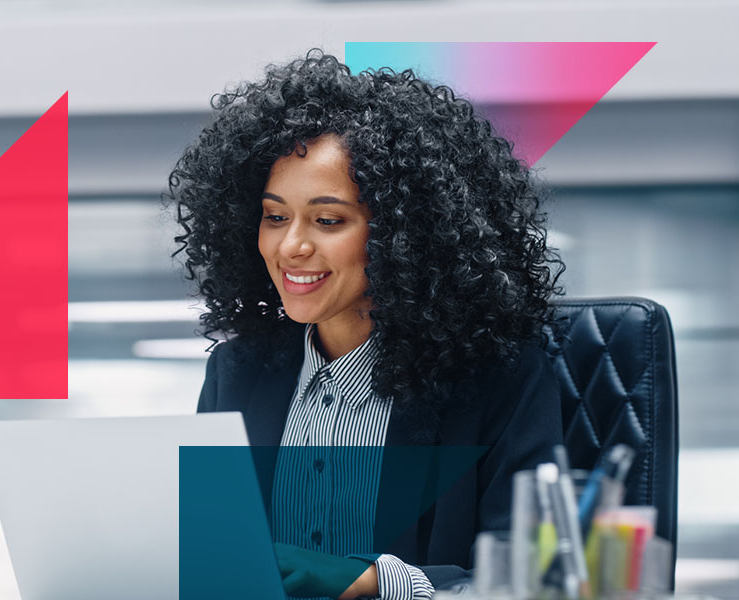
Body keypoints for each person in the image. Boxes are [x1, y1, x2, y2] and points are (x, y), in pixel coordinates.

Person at [167, 50, 565, 600]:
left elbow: (536, 582)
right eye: (275, 217)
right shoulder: (236, 373)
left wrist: (375, 580)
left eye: (328, 220)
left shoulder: (500, 379)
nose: (291, 246)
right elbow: (207, 558)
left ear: (406, 232)